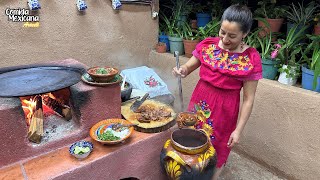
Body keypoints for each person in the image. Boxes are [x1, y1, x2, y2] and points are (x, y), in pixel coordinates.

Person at [172, 4, 262, 180]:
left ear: (245, 33)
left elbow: (248, 99)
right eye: (223, 32)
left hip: (225, 110)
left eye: (232, 36)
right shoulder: (208, 45)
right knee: (191, 138)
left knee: (219, 147)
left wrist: (238, 130)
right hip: (200, 100)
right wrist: (182, 70)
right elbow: (189, 66)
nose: (225, 39)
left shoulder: (250, 58)